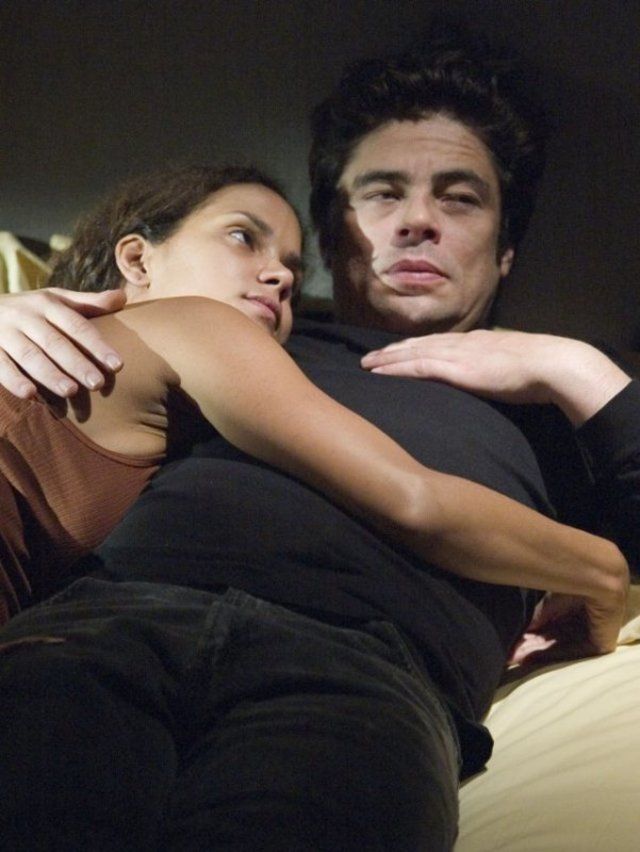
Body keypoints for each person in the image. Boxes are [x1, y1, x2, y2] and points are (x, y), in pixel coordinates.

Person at [0, 30, 637, 851]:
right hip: (114, 613)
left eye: (459, 199)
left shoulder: (559, 407)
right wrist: (18, 314)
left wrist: (572, 365)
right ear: (334, 241)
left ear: (505, 251)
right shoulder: (251, 338)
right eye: (382, 194)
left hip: (370, 675)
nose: (417, 222)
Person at [1, 161, 612, 638]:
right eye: (243, 237)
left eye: (292, 269)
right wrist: (602, 570)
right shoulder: (199, 325)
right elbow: (416, 500)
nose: (282, 276)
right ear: (137, 259)